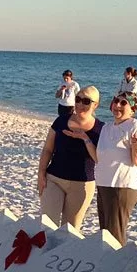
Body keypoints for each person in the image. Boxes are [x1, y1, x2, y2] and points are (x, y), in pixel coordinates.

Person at [37, 86, 103, 229]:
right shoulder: (61, 121)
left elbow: (99, 159)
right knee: (47, 225)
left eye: (86, 101)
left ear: (95, 105)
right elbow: (48, 149)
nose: (80, 104)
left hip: (82, 184)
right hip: (53, 179)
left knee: (70, 230)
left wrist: (85, 138)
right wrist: (41, 173)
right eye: (78, 99)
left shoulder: (101, 129)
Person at [94, 91, 137, 245]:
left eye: (123, 103)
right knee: (104, 235)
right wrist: (85, 139)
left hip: (121, 187)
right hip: (104, 185)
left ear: (133, 108)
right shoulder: (106, 127)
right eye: (116, 101)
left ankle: (114, 268)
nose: (117, 105)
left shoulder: (135, 126)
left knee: (114, 238)